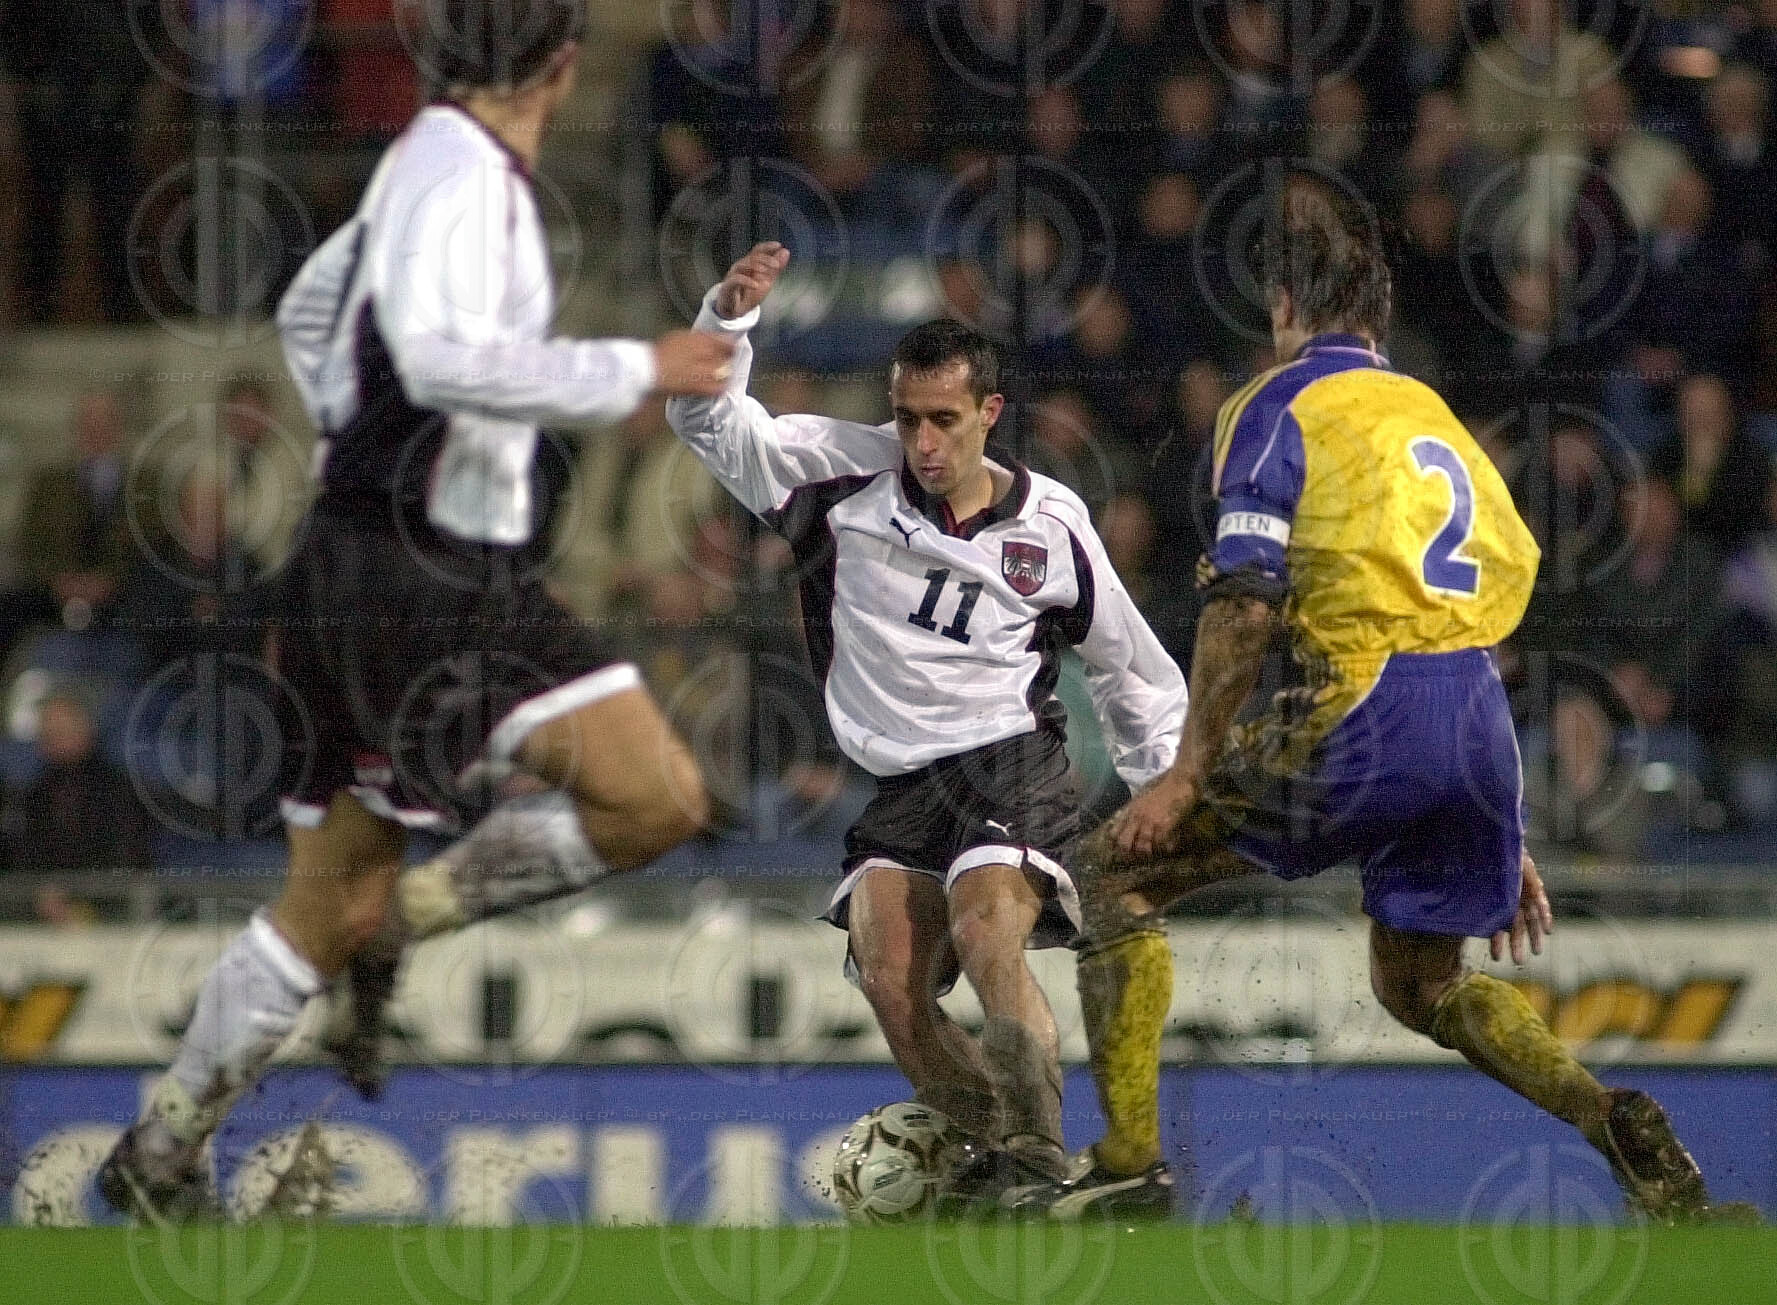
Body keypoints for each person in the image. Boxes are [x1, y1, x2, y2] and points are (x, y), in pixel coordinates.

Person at [97, 0, 735, 1220]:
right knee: (657, 798)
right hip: (427, 576)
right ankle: (415, 917)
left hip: (357, 562)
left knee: (325, 905)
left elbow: (310, 311)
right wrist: (633, 367)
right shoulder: (472, 180)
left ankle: (161, 1149)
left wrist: (354, 439)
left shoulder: (416, 161)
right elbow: (440, 360)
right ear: (561, 66)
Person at [1007, 178, 1745, 1224]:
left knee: (1110, 877)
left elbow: (1244, 603)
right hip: (1474, 719)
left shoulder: (1276, 406)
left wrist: (1183, 774)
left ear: (1282, 308)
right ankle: (1611, 1120)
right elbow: (1486, 606)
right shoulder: (1432, 418)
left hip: (1360, 706)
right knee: (1419, 983)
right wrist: (1493, 811)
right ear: (1379, 318)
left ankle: (1130, 1161)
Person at [665, 242, 1186, 1203]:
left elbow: (1131, 667)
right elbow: (703, 419)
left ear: (988, 412)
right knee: (890, 982)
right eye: (907, 417)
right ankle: (1006, 1174)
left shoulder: (1050, 524)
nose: (923, 441)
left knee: (987, 930)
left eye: (944, 419)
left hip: (1009, 763)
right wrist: (726, 318)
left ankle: (1035, 1157)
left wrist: (1164, 796)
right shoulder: (833, 476)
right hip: (901, 783)